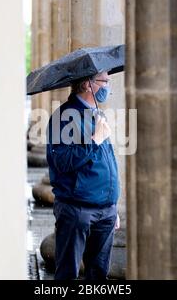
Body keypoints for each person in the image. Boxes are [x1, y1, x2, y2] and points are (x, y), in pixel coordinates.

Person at [46, 71, 120, 280]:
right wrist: (94, 140)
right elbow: (62, 161)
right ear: (88, 84)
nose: (108, 86)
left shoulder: (97, 114)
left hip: (105, 210)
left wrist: (112, 202)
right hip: (77, 209)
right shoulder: (63, 117)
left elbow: (107, 162)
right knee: (67, 274)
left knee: (98, 276)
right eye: (104, 81)